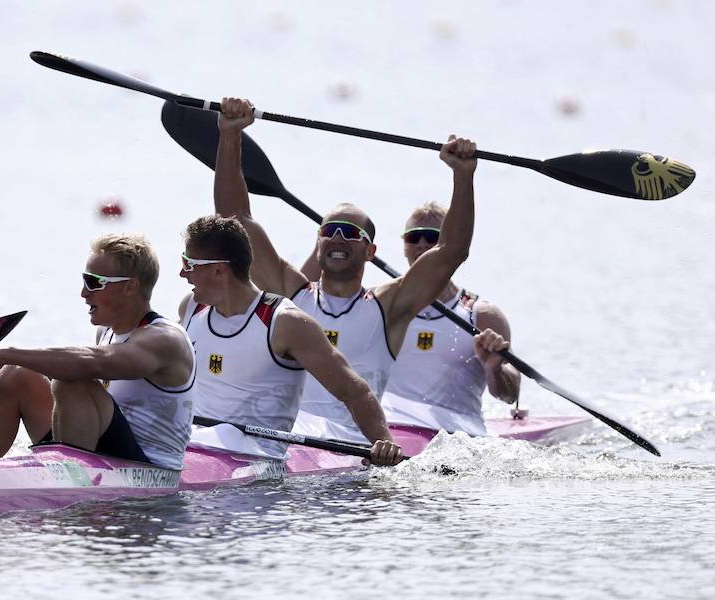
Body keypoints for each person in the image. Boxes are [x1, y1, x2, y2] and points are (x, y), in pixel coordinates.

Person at [214, 97, 478, 445]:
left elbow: (451, 251)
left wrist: (463, 176)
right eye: (330, 230)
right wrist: (230, 135)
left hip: (349, 450)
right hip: (288, 442)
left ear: (370, 252)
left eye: (351, 233)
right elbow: (235, 220)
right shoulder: (290, 292)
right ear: (318, 241)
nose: (338, 237)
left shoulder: (389, 307)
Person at [178, 215, 402, 466]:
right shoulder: (191, 308)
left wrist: (384, 444)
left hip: (255, 460)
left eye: (188, 263)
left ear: (218, 269)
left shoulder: (286, 323)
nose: (182, 273)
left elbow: (352, 390)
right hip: (194, 443)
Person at [0, 234, 196, 470]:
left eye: (94, 282)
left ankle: (70, 486)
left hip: (149, 469)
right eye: (84, 280)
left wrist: (5, 353)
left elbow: (92, 364)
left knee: (73, 382)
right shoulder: (106, 331)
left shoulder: (165, 340)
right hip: (104, 449)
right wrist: (6, 362)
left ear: (130, 287)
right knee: (17, 374)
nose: (83, 293)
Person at [327, 202, 522, 435]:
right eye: (414, 238)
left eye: (432, 237)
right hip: (385, 430)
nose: (422, 245)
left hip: (455, 436)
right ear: (404, 246)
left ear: (449, 244)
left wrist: (495, 369)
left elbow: (510, 395)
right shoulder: (377, 306)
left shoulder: (482, 316)